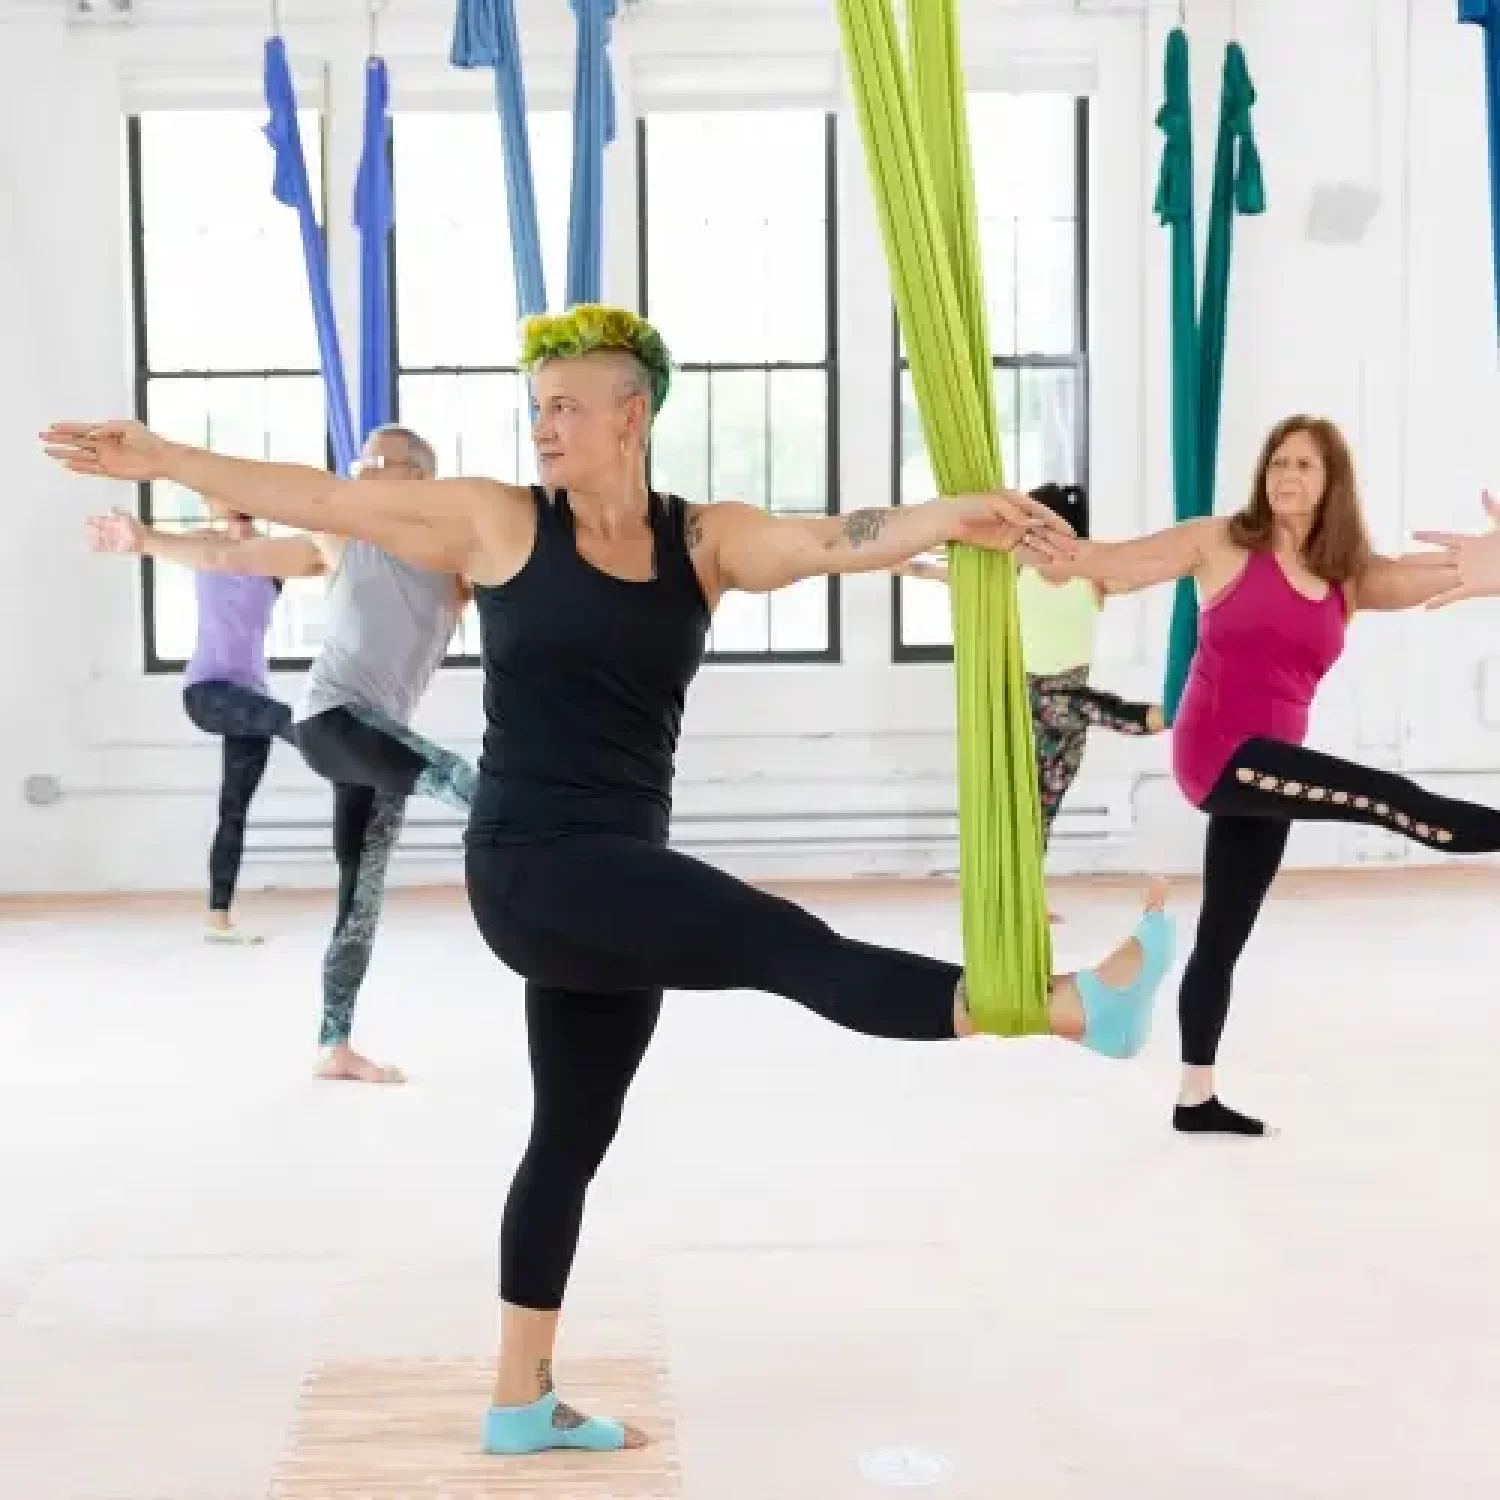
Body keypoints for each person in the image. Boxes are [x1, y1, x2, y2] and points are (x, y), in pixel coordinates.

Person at [42, 302, 1178, 1454]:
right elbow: (330, 501)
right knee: (791, 946)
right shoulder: (496, 523)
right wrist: (168, 460)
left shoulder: (705, 540)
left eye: (569, 408)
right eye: (538, 409)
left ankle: (520, 1402)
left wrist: (961, 514)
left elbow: (845, 536)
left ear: (631, 417)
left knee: (570, 1137)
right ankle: (1067, 1007)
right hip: (534, 868)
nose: (545, 428)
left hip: (614, 878)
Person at [1053, 413, 1500, 1138]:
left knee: (1223, 937)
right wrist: (1049, 552)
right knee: (1390, 798)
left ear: (1332, 485)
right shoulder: (1221, 541)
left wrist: (1488, 563)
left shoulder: (1346, 578)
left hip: (1270, 772)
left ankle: (1194, 1099)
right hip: (1222, 754)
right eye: (1278, 462)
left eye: (1304, 466)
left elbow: (1442, 573)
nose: (1286, 476)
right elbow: (1116, 563)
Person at [84, 424, 478, 1085]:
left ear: (420, 475)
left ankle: (335, 1046)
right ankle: (584, 884)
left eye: (378, 461)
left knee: (361, 896)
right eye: (360, 460)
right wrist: (146, 540)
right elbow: (233, 558)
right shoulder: (341, 535)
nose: (362, 471)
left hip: (376, 746)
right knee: (471, 785)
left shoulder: (454, 559)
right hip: (333, 720)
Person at [897, 482, 1164, 857]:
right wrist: (909, 565)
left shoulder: (1095, 580)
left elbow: (1146, 572)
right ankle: (1155, 717)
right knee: (1062, 718)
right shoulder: (1017, 575)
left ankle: (1030, 899)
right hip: (1028, 705)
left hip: (1070, 712)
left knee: (1044, 809)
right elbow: (953, 574)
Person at [87, 502, 296, 944]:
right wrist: (135, 532)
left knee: (233, 810)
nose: (236, 520)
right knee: (291, 722)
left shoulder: (274, 561)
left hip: (251, 700)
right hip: (208, 691)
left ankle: (217, 920)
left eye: (244, 513)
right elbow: (169, 541)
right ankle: (356, 756)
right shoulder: (205, 547)